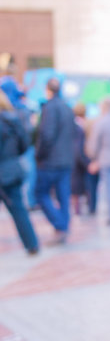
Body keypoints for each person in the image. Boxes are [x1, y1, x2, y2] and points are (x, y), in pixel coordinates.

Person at [35, 78, 75, 244]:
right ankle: (63, 227)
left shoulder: (50, 107)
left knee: (40, 193)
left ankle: (60, 225)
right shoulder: (67, 108)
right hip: (65, 160)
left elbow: (47, 135)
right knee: (63, 196)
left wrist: (39, 155)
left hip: (51, 161)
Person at [0, 89, 39, 255]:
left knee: (18, 209)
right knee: (19, 209)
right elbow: (25, 144)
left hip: (6, 170)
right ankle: (32, 244)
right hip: (13, 169)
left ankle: (32, 244)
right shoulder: (13, 119)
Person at [70, 103, 90, 215]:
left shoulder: (75, 125)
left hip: (73, 157)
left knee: (76, 188)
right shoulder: (81, 126)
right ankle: (78, 210)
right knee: (78, 187)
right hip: (80, 157)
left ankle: (77, 211)